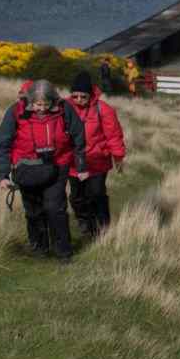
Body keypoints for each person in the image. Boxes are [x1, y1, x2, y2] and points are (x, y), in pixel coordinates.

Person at [0, 78, 90, 260]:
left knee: (55, 208)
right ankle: (39, 249)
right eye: (37, 104)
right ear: (30, 100)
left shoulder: (64, 109)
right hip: (26, 168)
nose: (41, 108)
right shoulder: (16, 111)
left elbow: (78, 136)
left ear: (53, 100)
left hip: (57, 165)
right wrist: (4, 175)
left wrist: (81, 166)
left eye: (46, 104)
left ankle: (64, 252)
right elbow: (3, 144)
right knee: (33, 210)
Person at [67, 71, 127, 236]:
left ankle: (102, 228)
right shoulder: (64, 107)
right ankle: (84, 223)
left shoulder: (103, 109)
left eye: (83, 97)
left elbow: (114, 135)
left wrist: (118, 157)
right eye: (75, 96)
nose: (79, 100)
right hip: (73, 162)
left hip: (97, 162)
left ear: (90, 95)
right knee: (77, 197)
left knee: (96, 194)